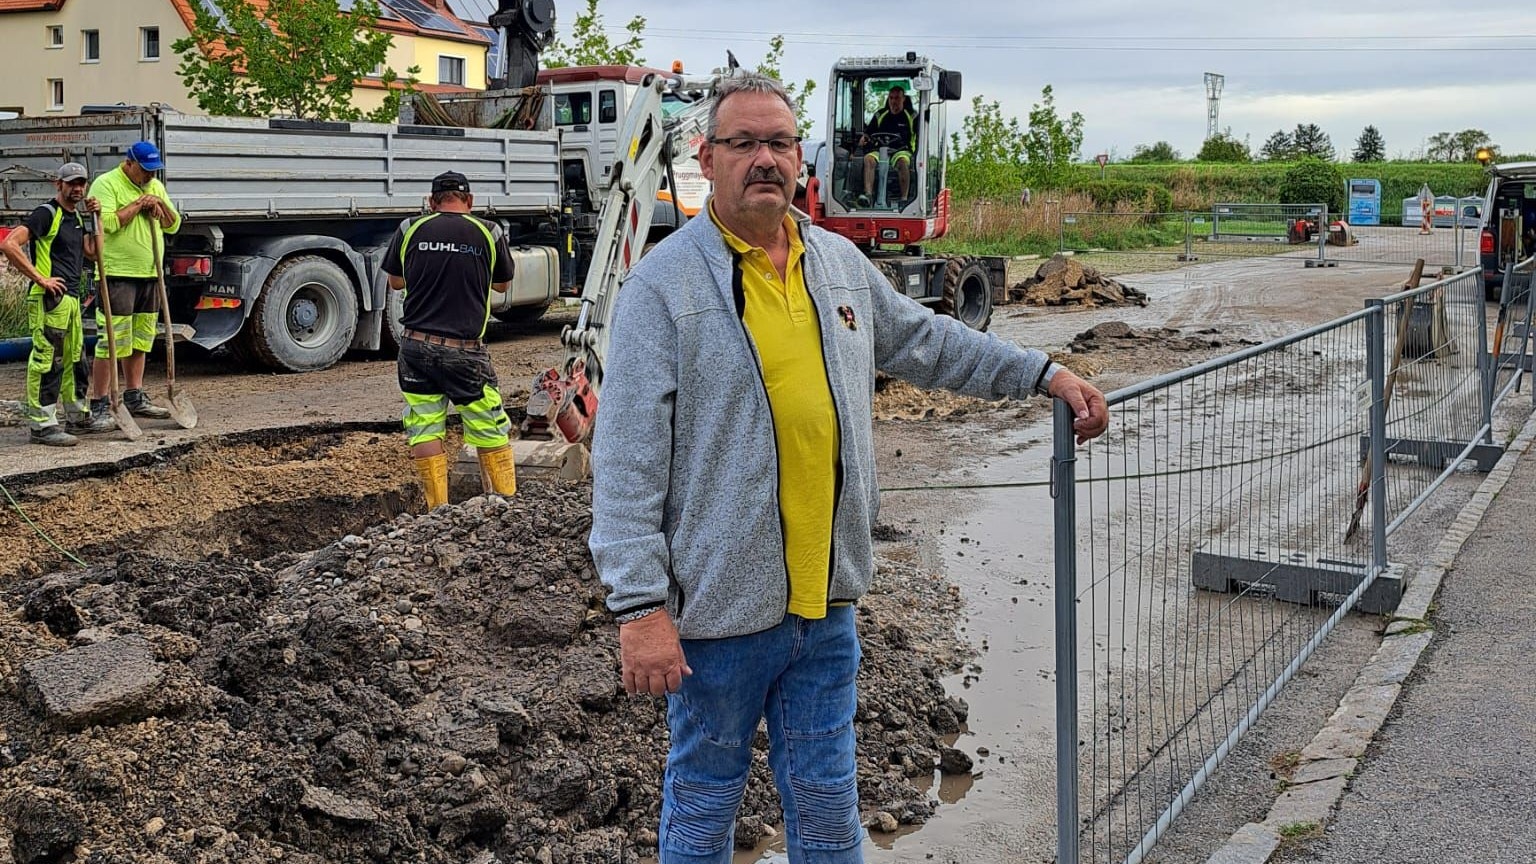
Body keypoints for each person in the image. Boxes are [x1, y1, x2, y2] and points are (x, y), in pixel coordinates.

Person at [588, 72, 1109, 864]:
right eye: (744, 143)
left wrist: (1043, 373)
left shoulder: (836, 263)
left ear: (803, 158)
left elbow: (930, 343)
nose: (764, 158)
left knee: (830, 812)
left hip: (825, 608)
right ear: (706, 154)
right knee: (701, 810)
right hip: (718, 620)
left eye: (780, 143)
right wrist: (639, 608)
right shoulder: (663, 285)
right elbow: (624, 462)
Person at [382, 170, 518, 509]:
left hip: (414, 347)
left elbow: (395, 283)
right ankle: (506, 507)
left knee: (425, 426)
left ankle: (437, 512)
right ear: (469, 201)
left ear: (431, 202)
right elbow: (502, 285)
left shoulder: (409, 228)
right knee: (489, 424)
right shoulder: (489, 231)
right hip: (464, 351)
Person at [0, 162, 113, 446]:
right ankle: (42, 425)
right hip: (50, 299)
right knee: (47, 362)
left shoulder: (75, 217)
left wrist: (97, 218)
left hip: (72, 299)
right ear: (58, 184)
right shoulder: (46, 213)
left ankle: (78, 415)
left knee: (75, 361)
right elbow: (10, 244)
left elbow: (93, 253)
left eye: (81, 183)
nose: (77, 188)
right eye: (72, 183)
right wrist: (40, 278)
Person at [88, 140, 180, 422]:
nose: (151, 176)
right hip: (117, 274)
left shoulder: (155, 185)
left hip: (150, 274)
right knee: (113, 341)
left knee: (141, 339)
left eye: (154, 171)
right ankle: (101, 402)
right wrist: (139, 204)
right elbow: (109, 224)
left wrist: (159, 206)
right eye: (145, 170)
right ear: (130, 164)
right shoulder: (106, 184)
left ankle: (134, 395)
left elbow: (173, 224)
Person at [860, 85, 917, 206]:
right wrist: (864, 138)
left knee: (902, 162)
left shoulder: (912, 116)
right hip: (880, 150)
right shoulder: (880, 115)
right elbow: (868, 133)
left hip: (901, 150)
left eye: (897, 98)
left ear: (903, 99)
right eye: (891, 98)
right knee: (868, 159)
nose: (893, 101)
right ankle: (868, 196)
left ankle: (904, 200)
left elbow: (921, 134)